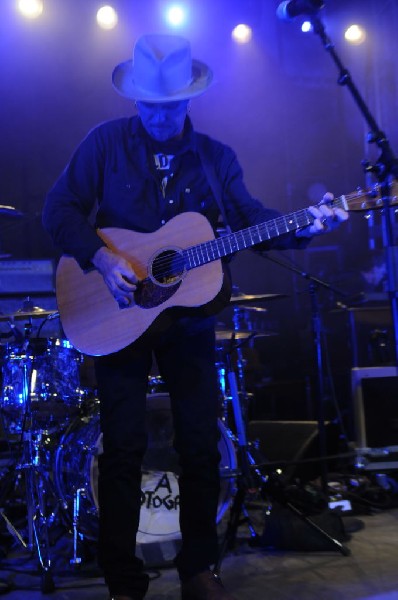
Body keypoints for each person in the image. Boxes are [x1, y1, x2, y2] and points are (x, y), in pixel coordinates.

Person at [42, 34, 348, 600]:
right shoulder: (104, 144)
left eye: (172, 105)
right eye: (151, 105)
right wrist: (105, 259)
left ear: (189, 100)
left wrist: (307, 224)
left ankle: (198, 569)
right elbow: (57, 209)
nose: (161, 116)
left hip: (190, 319)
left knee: (200, 446)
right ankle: (123, 580)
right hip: (120, 314)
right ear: (136, 99)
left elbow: (253, 219)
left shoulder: (215, 158)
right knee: (123, 448)